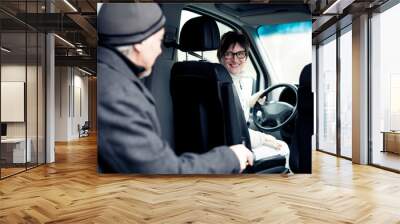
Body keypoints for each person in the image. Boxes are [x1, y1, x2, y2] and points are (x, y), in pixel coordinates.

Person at [97, 3, 254, 174]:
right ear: (139, 44)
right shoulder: (118, 95)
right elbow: (161, 170)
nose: (159, 51)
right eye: (158, 42)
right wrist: (230, 157)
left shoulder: (108, 75)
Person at [217, 31, 291, 169]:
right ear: (221, 55)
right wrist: (265, 138)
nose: (235, 59)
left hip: (222, 144)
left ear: (246, 56)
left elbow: (236, 107)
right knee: (283, 147)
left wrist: (255, 98)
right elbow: (236, 131)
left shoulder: (221, 78)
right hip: (234, 147)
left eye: (240, 54)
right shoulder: (226, 85)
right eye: (229, 53)